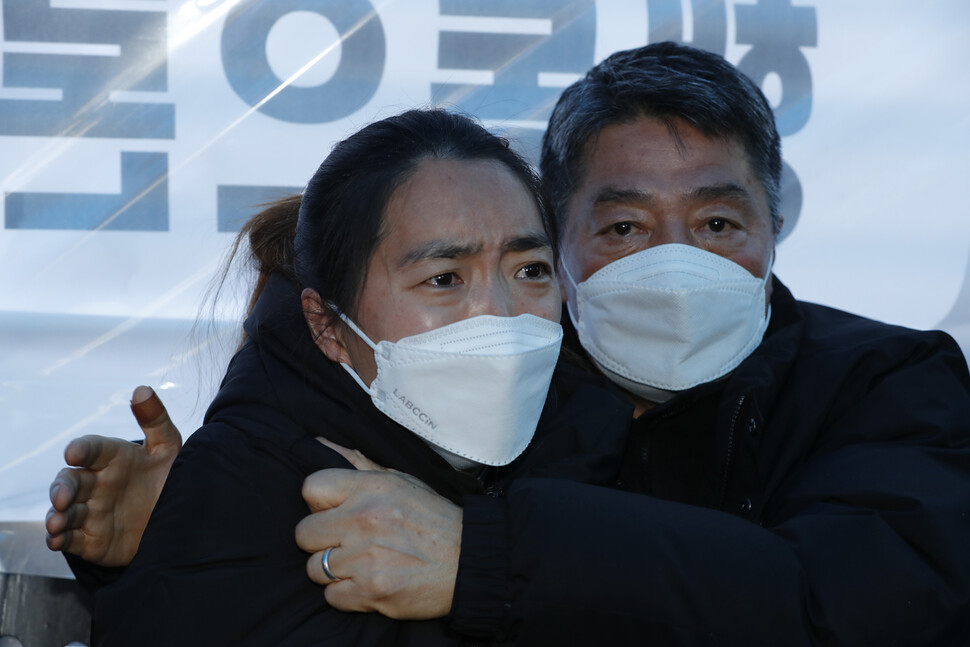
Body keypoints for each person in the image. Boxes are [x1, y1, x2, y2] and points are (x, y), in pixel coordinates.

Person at [49, 43, 970, 645]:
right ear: (559, 233)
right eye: (623, 228)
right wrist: (177, 522)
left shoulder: (887, 380)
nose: (680, 264)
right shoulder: (472, 377)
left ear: (776, 222)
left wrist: (483, 557)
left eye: (721, 221)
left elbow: (858, 604)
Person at [66, 108, 632, 646]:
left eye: (529, 270)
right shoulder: (246, 483)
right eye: (444, 278)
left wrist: (482, 563)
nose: (501, 316)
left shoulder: (603, 441)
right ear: (328, 326)